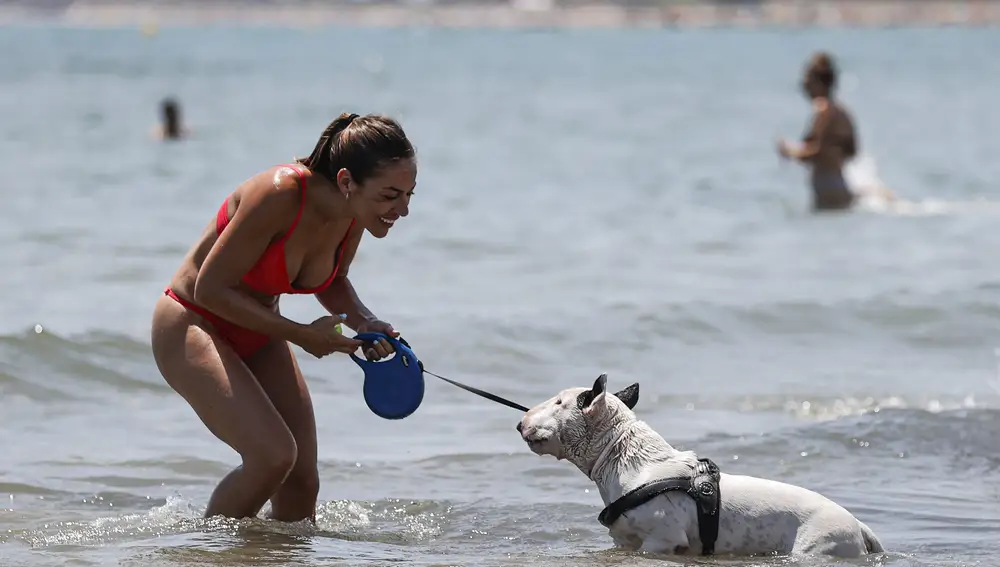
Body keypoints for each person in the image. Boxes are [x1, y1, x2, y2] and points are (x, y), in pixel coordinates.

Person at [150, 112, 417, 522]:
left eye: (408, 195)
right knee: (271, 457)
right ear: (346, 181)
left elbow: (332, 279)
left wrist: (364, 321)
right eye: (390, 195)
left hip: (258, 328)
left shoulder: (355, 212)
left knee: (302, 482)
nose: (401, 209)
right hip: (192, 322)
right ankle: (208, 554)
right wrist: (302, 335)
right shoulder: (278, 194)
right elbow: (210, 289)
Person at [777, 52, 860, 211]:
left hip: (826, 186)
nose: (803, 85)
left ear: (818, 83)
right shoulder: (842, 113)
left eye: (807, 80)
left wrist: (790, 151)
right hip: (838, 182)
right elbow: (852, 151)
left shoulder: (823, 111)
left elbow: (816, 151)